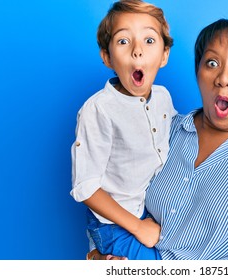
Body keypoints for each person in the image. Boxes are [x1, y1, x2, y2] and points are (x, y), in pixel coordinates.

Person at [89, 18, 228, 260]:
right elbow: (116, 191)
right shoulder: (164, 129)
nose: (223, 78)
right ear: (198, 71)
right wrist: (99, 256)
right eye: (212, 62)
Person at [70, 0, 176, 260]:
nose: (137, 51)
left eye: (149, 41)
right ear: (107, 57)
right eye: (123, 41)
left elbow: (179, 134)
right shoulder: (99, 110)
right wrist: (138, 227)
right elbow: (86, 187)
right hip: (113, 223)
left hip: (147, 211)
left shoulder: (163, 97)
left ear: (164, 55)